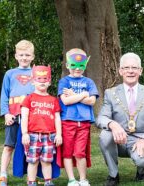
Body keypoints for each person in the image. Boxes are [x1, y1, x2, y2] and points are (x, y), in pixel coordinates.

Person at [96, 52, 144, 186]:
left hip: (140, 138)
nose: (130, 71)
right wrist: (113, 124)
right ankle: (113, 175)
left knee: (142, 160)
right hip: (119, 139)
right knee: (105, 136)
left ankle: (142, 171)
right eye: (126, 68)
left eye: (134, 68)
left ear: (140, 71)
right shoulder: (110, 93)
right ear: (120, 71)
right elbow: (101, 118)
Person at [57, 48, 98, 186]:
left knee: (80, 152)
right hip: (67, 122)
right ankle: (72, 180)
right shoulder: (63, 82)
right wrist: (83, 94)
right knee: (67, 152)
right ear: (68, 65)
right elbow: (66, 101)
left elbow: (92, 101)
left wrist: (74, 95)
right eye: (74, 65)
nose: (77, 69)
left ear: (85, 64)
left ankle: (83, 179)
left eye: (81, 65)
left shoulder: (89, 82)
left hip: (84, 123)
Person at [0, 40, 35, 186]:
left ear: (32, 56)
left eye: (27, 55)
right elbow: (4, 95)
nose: (24, 58)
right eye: (21, 55)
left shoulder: (37, 73)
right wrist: (6, 113)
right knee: (9, 146)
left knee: (31, 146)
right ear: (16, 56)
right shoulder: (9, 74)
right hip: (13, 116)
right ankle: (3, 175)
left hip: (31, 118)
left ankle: (30, 176)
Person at [20, 65, 62, 186]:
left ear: (49, 82)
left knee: (46, 161)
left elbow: (57, 118)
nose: (42, 82)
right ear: (33, 81)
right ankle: (31, 182)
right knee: (33, 161)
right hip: (33, 135)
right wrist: (25, 134)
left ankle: (48, 181)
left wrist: (59, 134)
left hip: (49, 136)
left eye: (45, 79)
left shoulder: (54, 100)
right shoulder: (28, 99)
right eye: (39, 79)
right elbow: (24, 117)